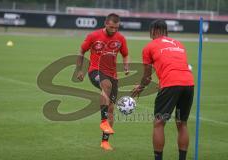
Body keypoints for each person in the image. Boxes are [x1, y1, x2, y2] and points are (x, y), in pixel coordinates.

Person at [132, 19, 194, 160]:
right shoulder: (179, 44)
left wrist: (140, 87)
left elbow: (147, 76)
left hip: (170, 84)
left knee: (159, 123)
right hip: (189, 83)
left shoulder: (150, 46)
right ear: (166, 31)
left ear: (153, 31)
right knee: (182, 123)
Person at [76, 13, 129, 150]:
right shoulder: (93, 36)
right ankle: (103, 121)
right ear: (105, 23)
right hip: (96, 70)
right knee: (106, 85)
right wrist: (79, 70)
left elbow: (125, 54)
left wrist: (126, 65)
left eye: (116, 28)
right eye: (111, 27)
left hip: (113, 74)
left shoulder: (121, 38)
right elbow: (81, 51)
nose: (114, 30)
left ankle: (105, 142)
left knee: (111, 108)